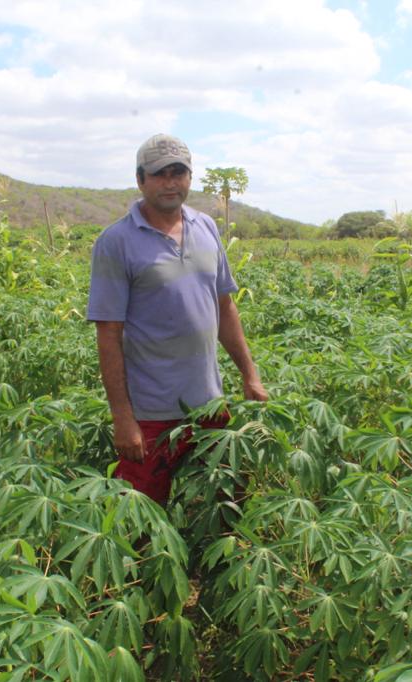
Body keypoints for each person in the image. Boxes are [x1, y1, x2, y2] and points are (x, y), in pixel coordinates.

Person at [87, 133, 267, 506]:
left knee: (219, 509)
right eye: (159, 174)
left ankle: (207, 567)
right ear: (141, 180)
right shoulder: (116, 242)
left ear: (189, 177)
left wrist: (249, 373)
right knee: (143, 515)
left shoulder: (205, 228)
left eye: (178, 172)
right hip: (151, 412)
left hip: (210, 405)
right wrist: (123, 417)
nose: (170, 182)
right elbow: (109, 333)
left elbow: (224, 307)